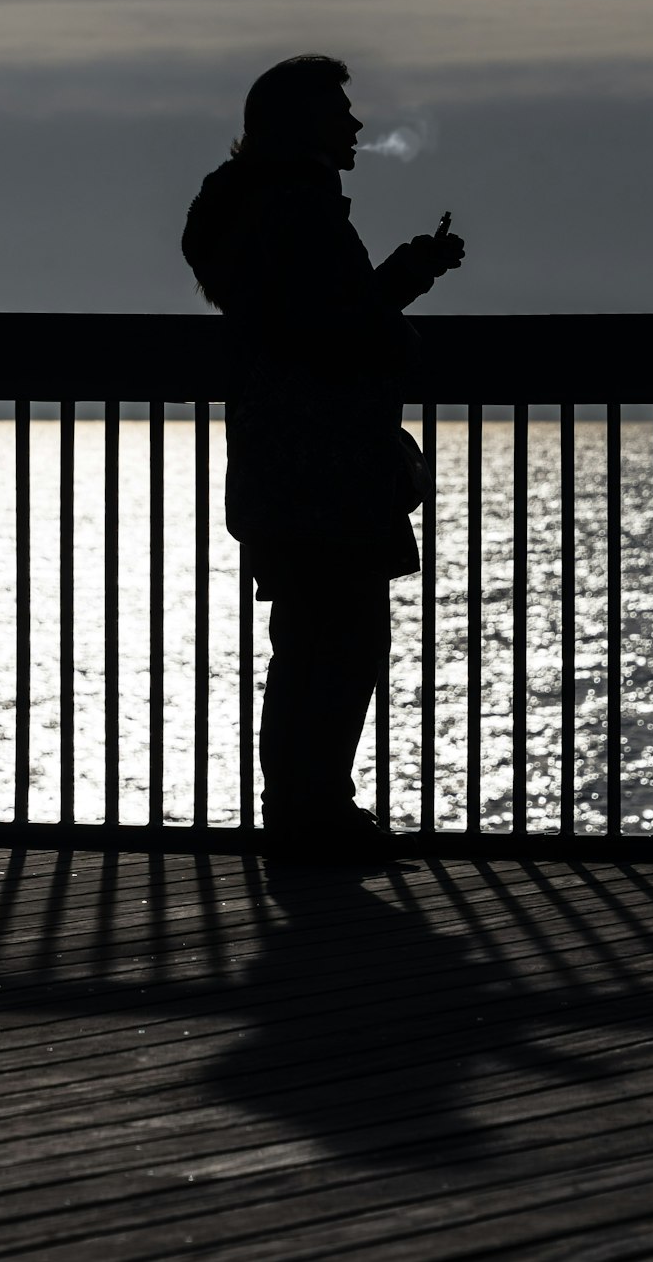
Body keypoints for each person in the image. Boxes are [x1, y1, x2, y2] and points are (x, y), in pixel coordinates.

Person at [181, 56, 465, 860]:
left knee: (306, 643)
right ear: (301, 123)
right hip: (328, 464)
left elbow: (303, 316)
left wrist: (394, 284)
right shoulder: (301, 213)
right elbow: (332, 329)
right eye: (338, 111)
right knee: (340, 644)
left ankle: (301, 812)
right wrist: (399, 304)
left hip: (277, 459)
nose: (354, 126)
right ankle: (319, 816)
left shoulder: (247, 212)